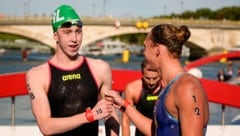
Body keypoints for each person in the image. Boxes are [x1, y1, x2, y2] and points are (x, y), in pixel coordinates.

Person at [26, 5, 119, 136]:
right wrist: (89, 116)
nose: (74, 39)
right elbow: (46, 127)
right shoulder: (37, 75)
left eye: (78, 31)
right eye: (67, 32)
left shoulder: (100, 68)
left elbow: (110, 114)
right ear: (55, 36)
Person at [105, 24, 209, 136]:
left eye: (145, 47)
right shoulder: (171, 87)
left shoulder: (187, 88)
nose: (143, 53)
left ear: (157, 49)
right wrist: (123, 105)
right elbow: (158, 131)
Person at [122, 59, 163, 136]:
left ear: (160, 74)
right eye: (147, 78)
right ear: (142, 74)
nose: (151, 82)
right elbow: (125, 120)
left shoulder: (167, 88)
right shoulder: (133, 89)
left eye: (155, 78)